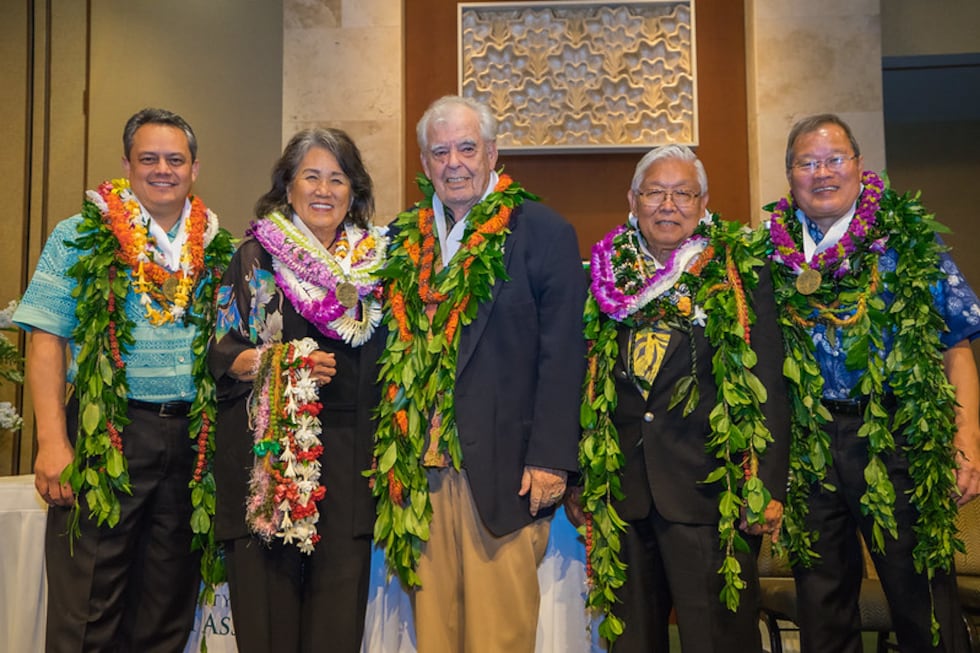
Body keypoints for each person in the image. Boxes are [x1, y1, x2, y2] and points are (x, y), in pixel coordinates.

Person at [368, 94, 587, 653]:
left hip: (504, 473)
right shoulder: (403, 237)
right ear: (424, 163)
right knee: (435, 635)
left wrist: (551, 458)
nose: (453, 163)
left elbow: (563, 356)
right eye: (439, 151)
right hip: (421, 472)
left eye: (466, 148)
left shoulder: (542, 231)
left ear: (493, 153)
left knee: (497, 635)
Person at [14, 107, 233, 652]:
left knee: (166, 605)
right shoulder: (80, 235)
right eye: (149, 158)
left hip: (187, 441)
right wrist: (50, 441)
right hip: (105, 433)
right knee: (88, 604)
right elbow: (46, 340)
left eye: (175, 159)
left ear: (195, 168)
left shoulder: (214, 242)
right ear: (126, 165)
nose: (164, 169)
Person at [761, 113, 980, 652]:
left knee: (922, 599)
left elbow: (956, 344)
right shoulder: (768, 253)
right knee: (822, 604)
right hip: (808, 445)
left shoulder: (908, 237)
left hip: (897, 435)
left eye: (834, 159)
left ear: (859, 166)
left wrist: (967, 438)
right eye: (807, 163)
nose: (822, 172)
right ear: (789, 176)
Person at [566, 144, 790, 652]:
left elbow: (771, 385)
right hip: (623, 496)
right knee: (632, 642)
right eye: (655, 192)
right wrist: (580, 475)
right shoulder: (601, 275)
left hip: (713, 496)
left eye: (682, 193)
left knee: (719, 641)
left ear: (703, 201)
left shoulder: (737, 272)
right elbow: (580, 377)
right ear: (632, 199)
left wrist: (767, 486)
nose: (668, 205)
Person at [207, 128, 387, 653]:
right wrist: (287, 364)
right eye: (311, 176)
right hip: (267, 467)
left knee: (336, 633)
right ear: (287, 187)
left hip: (350, 476)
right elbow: (223, 352)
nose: (324, 189)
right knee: (269, 630)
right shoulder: (252, 260)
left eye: (338, 178)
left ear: (354, 192)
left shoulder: (377, 267)